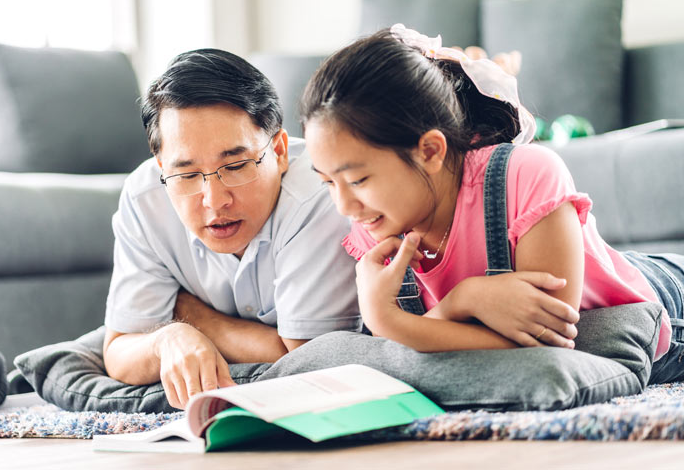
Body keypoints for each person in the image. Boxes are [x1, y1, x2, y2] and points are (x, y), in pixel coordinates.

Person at [301, 25, 684, 383]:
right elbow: (434, 348)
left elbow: (546, 344)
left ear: (430, 151)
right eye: (328, 183)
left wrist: (387, 321)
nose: (345, 206)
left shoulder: (526, 174)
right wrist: (457, 305)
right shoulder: (374, 227)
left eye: (357, 180)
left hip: (659, 301)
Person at [103, 49, 361, 409]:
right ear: (162, 167)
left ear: (280, 151)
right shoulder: (146, 197)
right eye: (188, 174)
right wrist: (170, 337)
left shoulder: (321, 191)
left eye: (237, 165)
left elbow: (308, 360)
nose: (214, 200)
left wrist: (194, 317)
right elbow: (116, 352)